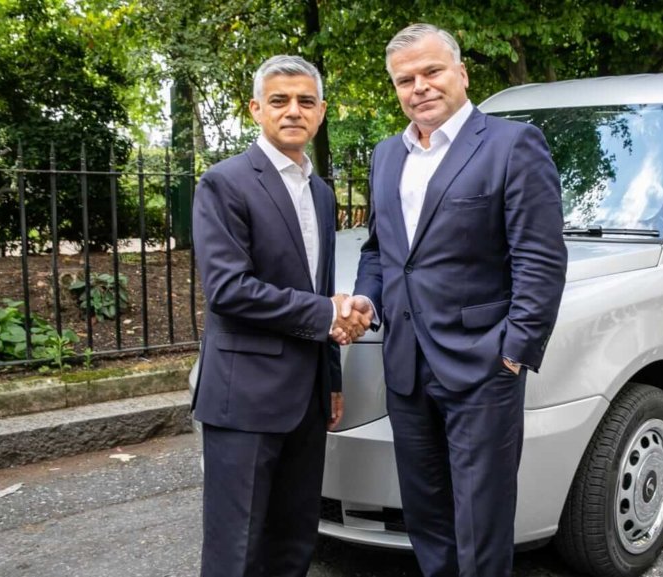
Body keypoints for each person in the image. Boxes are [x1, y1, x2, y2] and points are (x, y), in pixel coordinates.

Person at [342, 23, 568, 577]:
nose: (418, 87)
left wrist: (513, 354)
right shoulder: (386, 156)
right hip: (406, 366)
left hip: (482, 367)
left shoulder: (512, 144)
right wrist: (368, 300)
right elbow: (380, 249)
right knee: (426, 516)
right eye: (404, 80)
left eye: (431, 71)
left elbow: (540, 260)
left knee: (481, 520)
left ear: (461, 73)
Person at [191, 54, 370, 577]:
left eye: (306, 101)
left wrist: (331, 380)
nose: (294, 111)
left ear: (320, 112)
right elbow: (228, 290)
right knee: (236, 551)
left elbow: (319, 290)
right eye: (280, 100)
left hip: (307, 399)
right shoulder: (224, 183)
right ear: (256, 109)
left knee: (294, 543)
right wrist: (327, 310)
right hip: (243, 398)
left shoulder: (321, 192)